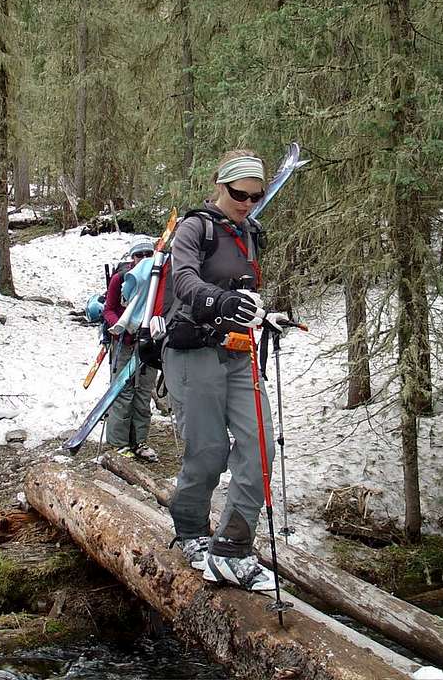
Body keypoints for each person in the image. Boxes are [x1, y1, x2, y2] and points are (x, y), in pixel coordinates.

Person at [163, 150, 290, 591]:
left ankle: (232, 549)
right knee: (209, 451)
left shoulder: (250, 232)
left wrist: (263, 314)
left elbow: (246, 291)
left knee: (260, 447)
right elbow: (185, 282)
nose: (247, 203)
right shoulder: (194, 229)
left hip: (239, 353)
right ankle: (191, 531)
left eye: (255, 197)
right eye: (240, 194)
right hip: (193, 352)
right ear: (222, 185)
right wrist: (218, 301)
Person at [103, 238, 160, 462]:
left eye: (148, 254)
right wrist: (118, 326)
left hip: (148, 344)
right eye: (139, 255)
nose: (143, 259)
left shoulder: (158, 280)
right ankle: (119, 443)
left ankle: (139, 441)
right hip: (124, 343)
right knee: (123, 392)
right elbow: (108, 309)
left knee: (143, 392)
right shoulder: (120, 279)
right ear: (132, 258)